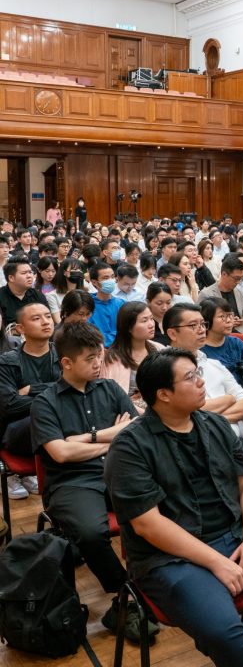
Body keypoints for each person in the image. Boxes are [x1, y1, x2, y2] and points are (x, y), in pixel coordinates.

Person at [104, 348, 243, 666]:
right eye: (190, 377)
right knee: (224, 631)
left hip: (234, 536)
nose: (201, 381)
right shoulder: (130, 447)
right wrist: (216, 562)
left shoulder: (214, 424)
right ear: (163, 394)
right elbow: (147, 524)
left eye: (198, 372)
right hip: (172, 559)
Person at [30, 322, 157, 641]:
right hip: (73, 482)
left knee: (161, 510)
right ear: (67, 363)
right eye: (90, 358)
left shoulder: (111, 389)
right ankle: (126, 595)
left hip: (119, 471)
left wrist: (86, 440)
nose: (99, 363)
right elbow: (60, 454)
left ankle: (154, 585)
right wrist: (110, 435)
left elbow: (136, 433)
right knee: (89, 532)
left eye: (99, 356)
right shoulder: (46, 402)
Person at [163, 304, 243, 438]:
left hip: (235, 446)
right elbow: (181, 414)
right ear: (172, 334)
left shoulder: (214, 365)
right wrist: (228, 399)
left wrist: (208, 420)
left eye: (203, 324)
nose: (201, 330)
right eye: (193, 325)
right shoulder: (163, 369)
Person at [0, 303, 58, 498]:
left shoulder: (65, 355)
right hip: (20, 430)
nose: (45, 322)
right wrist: (57, 396)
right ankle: (14, 475)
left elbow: (76, 389)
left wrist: (33, 389)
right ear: (20, 329)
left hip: (59, 427)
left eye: (48, 316)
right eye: (36, 318)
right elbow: (10, 405)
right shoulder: (7, 361)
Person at [101, 301, 163, 412]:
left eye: (151, 318)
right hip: (131, 413)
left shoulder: (159, 349)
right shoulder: (113, 358)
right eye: (144, 320)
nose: (151, 324)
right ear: (128, 327)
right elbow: (112, 398)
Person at [200, 297, 243, 386]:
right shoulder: (200, 351)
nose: (229, 321)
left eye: (230, 315)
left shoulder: (237, 342)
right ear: (207, 321)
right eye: (222, 317)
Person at [198, 254, 243, 329]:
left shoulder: (240, 292)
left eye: (240, 278)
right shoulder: (206, 294)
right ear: (224, 274)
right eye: (236, 278)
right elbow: (201, 323)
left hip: (240, 334)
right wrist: (228, 324)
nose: (238, 282)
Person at [0, 259, 48, 327]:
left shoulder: (37, 295)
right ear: (11, 278)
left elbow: (47, 317)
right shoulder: (1, 297)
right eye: (24, 273)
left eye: (30, 272)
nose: (29, 276)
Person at [146, 281, 173, 345]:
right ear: (148, 302)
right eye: (159, 303)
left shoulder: (174, 320)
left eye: (168, 303)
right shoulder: (146, 325)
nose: (164, 307)